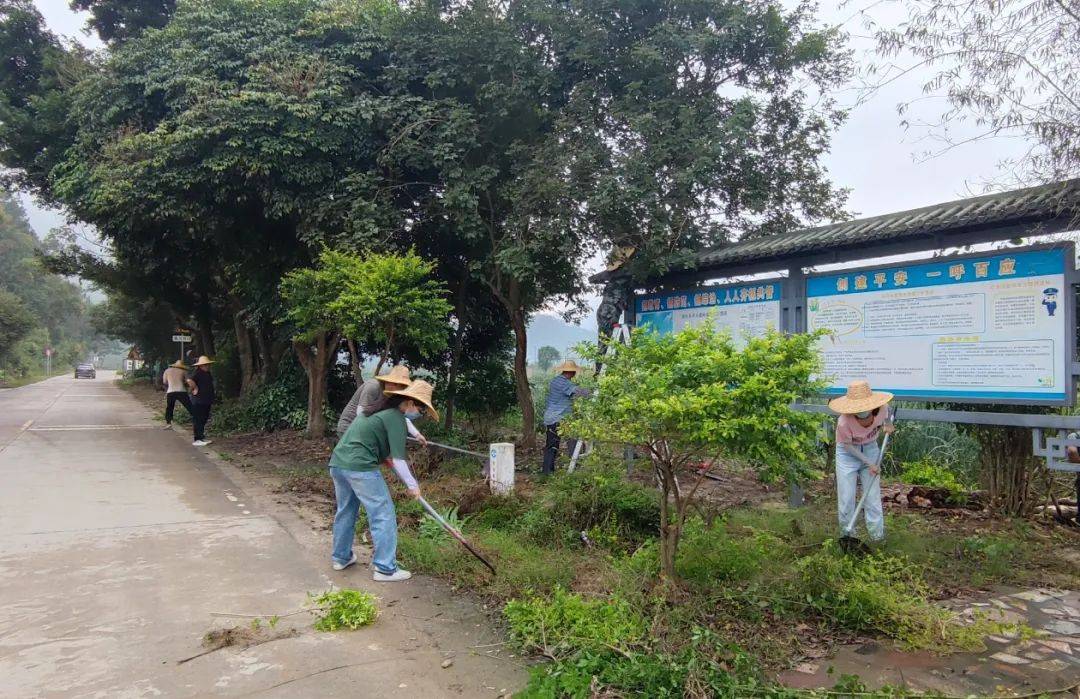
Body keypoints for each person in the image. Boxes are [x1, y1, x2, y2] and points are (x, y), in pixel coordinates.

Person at [329, 379, 438, 581]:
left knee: (346, 509)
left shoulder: (377, 409)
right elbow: (398, 459)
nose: (419, 414)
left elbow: (380, 445)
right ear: (410, 403)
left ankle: (341, 558)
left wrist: (390, 457)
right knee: (383, 513)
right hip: (360, 467)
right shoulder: (395, 417)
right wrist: (413, 486)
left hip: (338, 463)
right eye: (421, 409)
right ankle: (385, 568)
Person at [828, 380, 895, 543]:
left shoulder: (882, 409)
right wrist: (869, 463)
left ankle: (877, 538)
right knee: (846, 499)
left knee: (872, 497)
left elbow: (889, 413)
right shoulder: (844, 422)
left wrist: (888, 424)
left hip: (870, 449)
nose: (862, 414)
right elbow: (848, 446)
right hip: (848, 454)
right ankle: (849, 537)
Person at [336, 365, 427, 446]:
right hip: (349, 426)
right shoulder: (373, 386)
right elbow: (361, 413)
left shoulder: (391, 395)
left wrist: (417, 435)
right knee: (356, 460)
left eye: (402, 386)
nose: (399, 388)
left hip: (365, 430)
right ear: (389, 381)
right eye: (398, 384)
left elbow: (399, 417)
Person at [541, 359, 591, 475]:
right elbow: (578, 392)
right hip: (558, 418)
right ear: (572, 372)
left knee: (553, 445)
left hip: (553, 418)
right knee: (572, 442)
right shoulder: (564, 383)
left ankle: (548, 472)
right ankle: (574, 468)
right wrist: (593, 391)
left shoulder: (556, 381)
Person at [185, 355, 215, 447]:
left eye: (207, 365)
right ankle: (197, 439)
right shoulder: (197, 373)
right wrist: (195, 388)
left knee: (204, 419)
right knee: (198, 419)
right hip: (198, 400)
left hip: (206, 400)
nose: (207, 366)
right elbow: (189, 380)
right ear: (200, 366)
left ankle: (201, 437)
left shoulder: (208, 373)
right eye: (205, 365)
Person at [162, 360, 193, 429]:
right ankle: (197, 419)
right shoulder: (183, 371)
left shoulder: (167, 371)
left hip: (171, 391)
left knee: (169, 408)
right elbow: (188, 381)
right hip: (181, 391)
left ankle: (168, 423)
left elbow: (165, 382)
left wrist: (170, 384)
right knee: (189, 406)